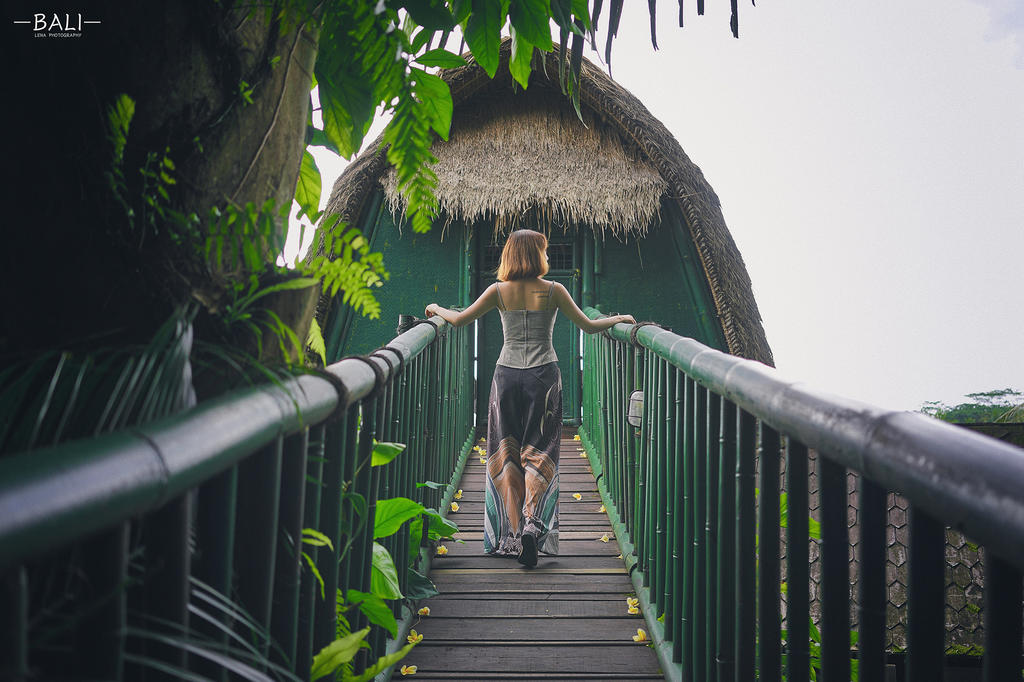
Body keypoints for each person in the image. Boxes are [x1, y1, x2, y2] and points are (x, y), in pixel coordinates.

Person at [425, 229, 635, 567]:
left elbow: (461, 319)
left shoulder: (498, 291)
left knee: (505, 450)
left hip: (506, 377)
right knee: (540, 450)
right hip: (544, 376)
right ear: (535, 255)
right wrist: (618, 319)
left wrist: (436, 308)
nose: (548, 258)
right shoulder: (553, 290)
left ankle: (511, 532)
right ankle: (533, 524)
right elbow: (588, 325)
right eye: (545, 251)